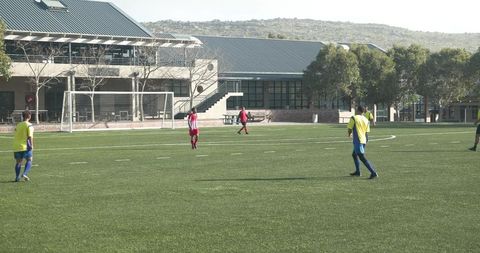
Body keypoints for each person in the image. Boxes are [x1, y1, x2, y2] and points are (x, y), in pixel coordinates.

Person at [347, 105, 378, 179]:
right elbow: (367, 132)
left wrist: (349, 134)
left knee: (361, 157)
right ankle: (358, 172)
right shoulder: (365, 119)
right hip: (364, 139)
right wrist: (366, 140)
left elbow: (350, 128)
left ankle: (373, 173)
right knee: (354, 155)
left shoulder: (354, 118)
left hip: (358, 140)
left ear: (357, 110)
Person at [13, 110, 34, 182]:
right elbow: (30, 136)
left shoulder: (18, 125)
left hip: (16, 146)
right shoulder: (29, 125)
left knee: (18, 162)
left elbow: (15, 132)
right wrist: (31, 145)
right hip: (25, 146)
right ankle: (24, 173)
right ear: (29, 116)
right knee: (29, 159)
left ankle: (17, 177)